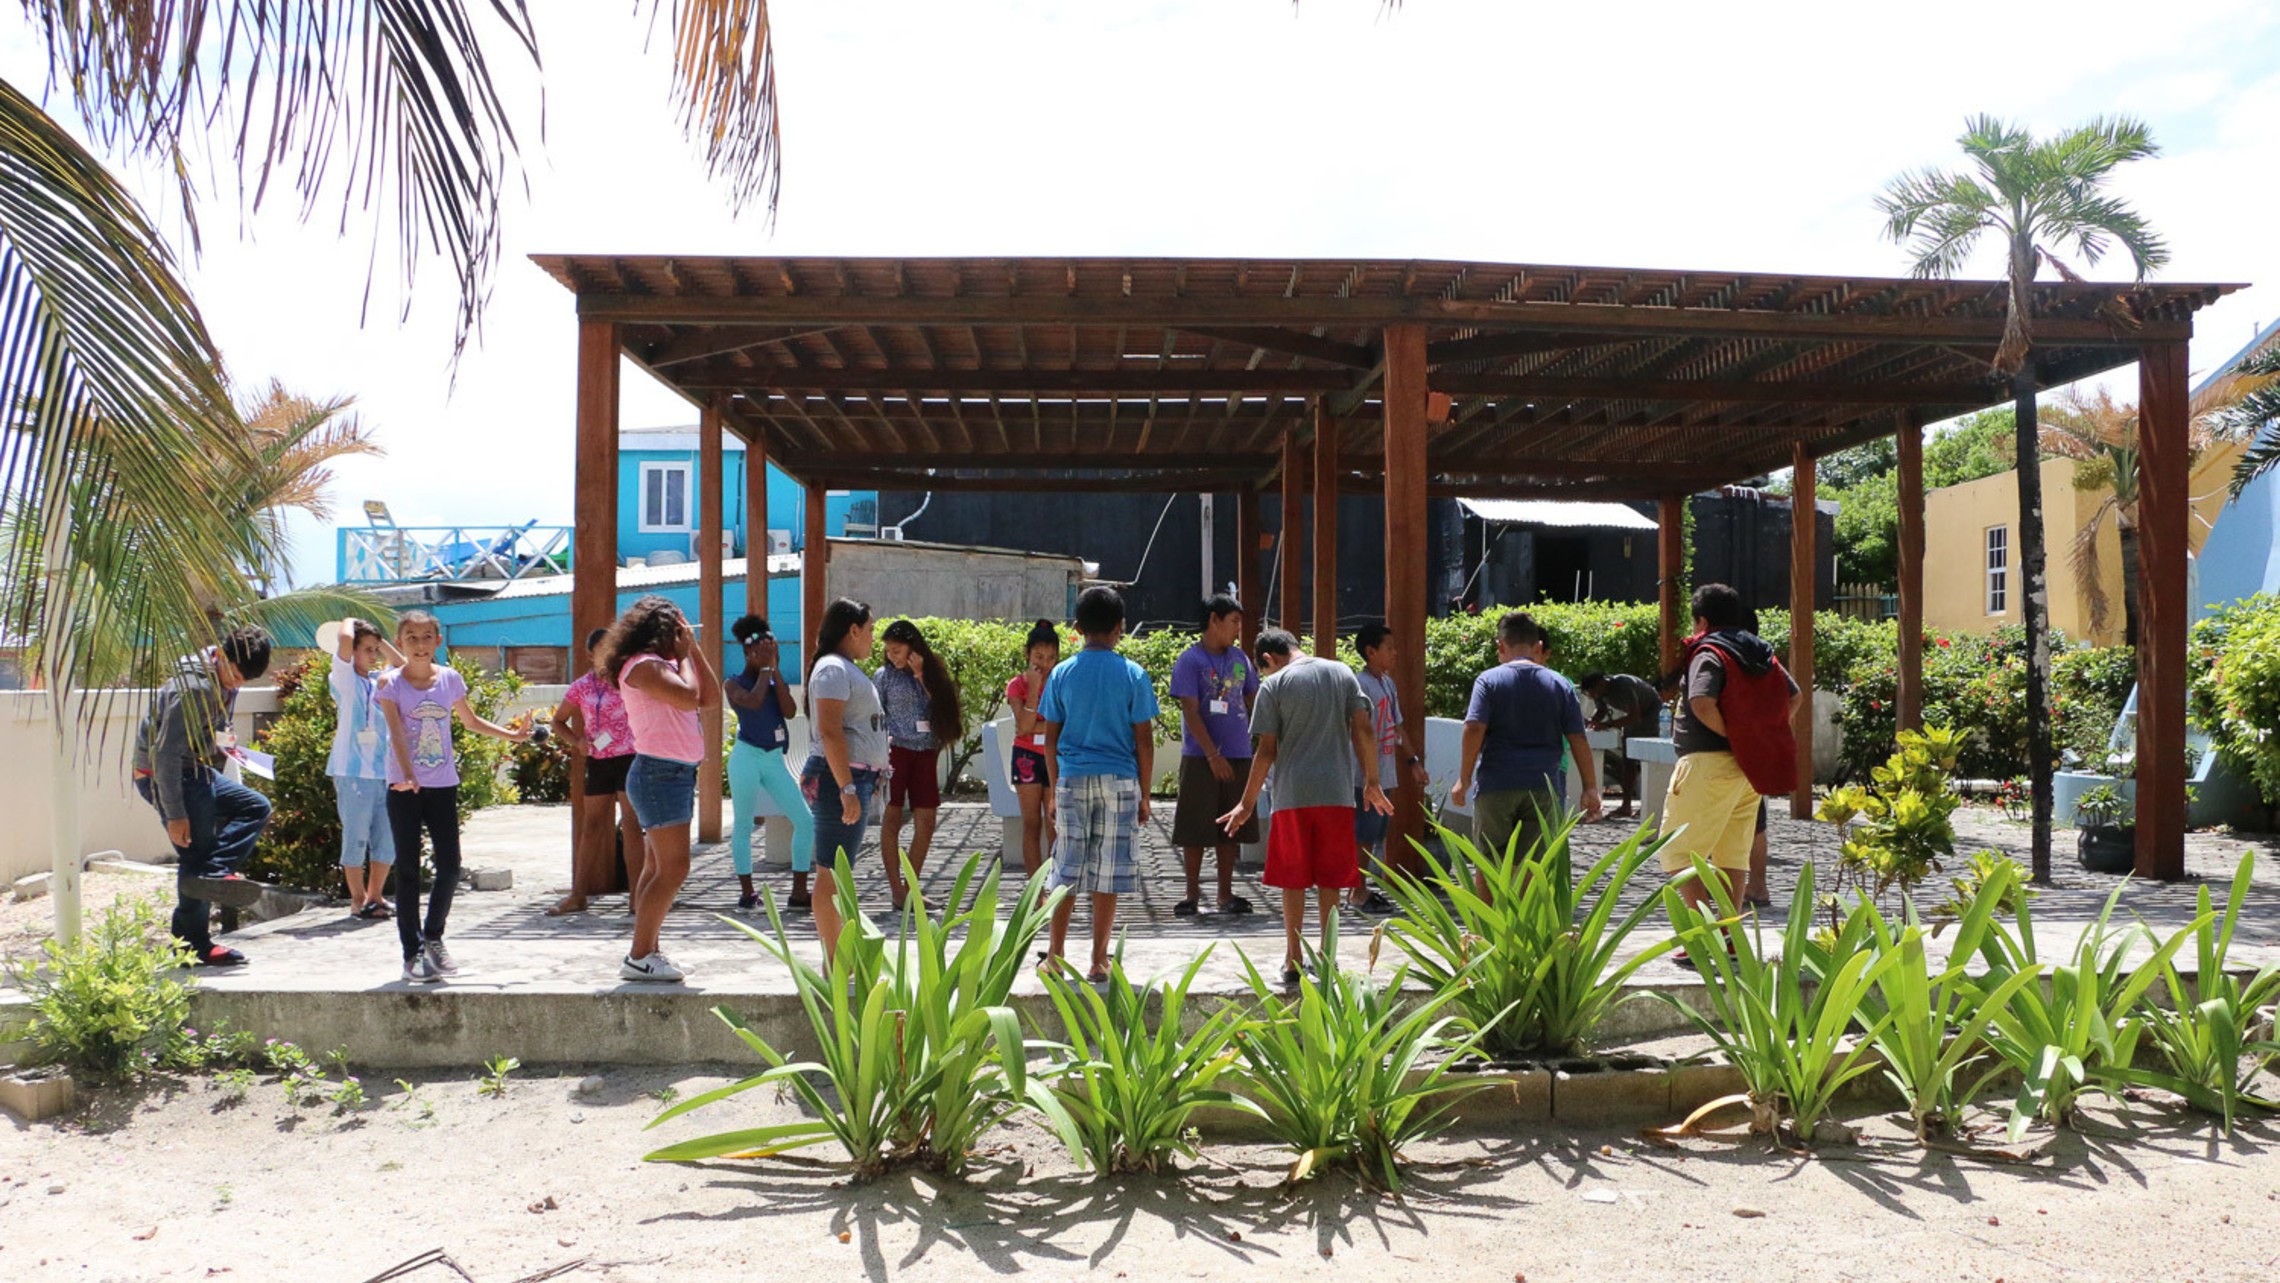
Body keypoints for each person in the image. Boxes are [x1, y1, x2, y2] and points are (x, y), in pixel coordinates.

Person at [1217, 630, 1389, 985]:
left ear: (1267, 659)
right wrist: (1372, 781)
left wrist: (1246, 804)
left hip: (1292, 796)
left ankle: (1293, 959)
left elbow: (1267, 750)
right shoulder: (1341, 673)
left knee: (1292, 880)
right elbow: (1364, 728)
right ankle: (1327, 957)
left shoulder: (1274, 685)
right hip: (1337, 794)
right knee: (1331, 879)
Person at [378, 612, 532, 984]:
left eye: (426, 636)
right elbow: (396, 733)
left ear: (438, 641)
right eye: (411, 637)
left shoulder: (450, 679)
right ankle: (410, 952)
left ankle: (433, 936)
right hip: (404, 786)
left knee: (450, 866)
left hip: (442, 783)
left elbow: (471, 720)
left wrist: (514, 737)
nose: (419, 644)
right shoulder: (389, 683)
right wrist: (408, 774)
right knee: (409, 870)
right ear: (400, 643)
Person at [1662, 583, 1801, 943]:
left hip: (1706, 764)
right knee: (1731, 856)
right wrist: (1756, 738)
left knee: (1677, 850)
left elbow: (1702, 703)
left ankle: (1700, 935)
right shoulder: (1759, 651)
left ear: (1702, 621)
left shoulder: (1708, 650)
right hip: (1745, 771)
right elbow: (1795, 696)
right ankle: (1730, 935)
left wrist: (1735, 733)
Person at [132, 626, 276, 966]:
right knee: (195, 855)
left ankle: (212, 873)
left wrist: (224, 742)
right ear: (222, 658)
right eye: (236, 675)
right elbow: (164, 754)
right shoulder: (195, 688)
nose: (237, 684)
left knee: (255, 807)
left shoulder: (221, 672)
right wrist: (176, 814)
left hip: (194, 769)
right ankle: (192, 946)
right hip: (166, 774)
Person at [1037, 587, 1159, 983]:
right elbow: (1144, 739)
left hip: (1072, 777)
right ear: (1120, 628)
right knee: (1110, 873)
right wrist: (1145, 792)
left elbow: (1050, 738)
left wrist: (1053, 790)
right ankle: (1098, 959)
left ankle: (1054, 956)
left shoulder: (1061, 672)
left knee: (1065, 869)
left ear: (1076, 629)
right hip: (1121, 780)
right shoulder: (1133, 674)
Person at [599, 596, 719, 983]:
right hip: (658, 774)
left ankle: (647, 948)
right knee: (674, 868)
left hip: (674, 773)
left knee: (658, 868)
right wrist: (687, 654)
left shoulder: (665, 665)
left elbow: (711, 698)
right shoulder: (643, 667)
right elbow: (689, 698)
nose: (685, 635)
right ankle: (638, 955)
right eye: (680, 629)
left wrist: (693, 651)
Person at [1450, 611, 1601, 863]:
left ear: (1501, 646)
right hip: (1544, 786)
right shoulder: (1560, 684)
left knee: (1489, 863)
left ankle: (1491, 905)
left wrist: (1464, 778)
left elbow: (1474, 728)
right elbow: (1578, 738)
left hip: (1496, 784)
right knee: (1535, 862)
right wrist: (1590, 787)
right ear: (1538, 646)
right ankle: (1527, 905)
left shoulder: (1488, 680)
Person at [802, 598, 888, 962]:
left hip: (853, 778)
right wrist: (847, 788)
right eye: (869, 630)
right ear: (852, 630)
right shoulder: (833, 670)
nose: (872, 638)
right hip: (841, 778)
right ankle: (835, 959)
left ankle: (837, 955)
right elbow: (830, 732)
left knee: (838, 870)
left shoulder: (843, 668)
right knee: (831, 872)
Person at [1168, 593, 1259, 917]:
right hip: (1200, 757)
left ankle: (1225, 894)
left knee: (1230, 827)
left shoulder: (1240, 659)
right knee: (1195, 828)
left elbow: (1253, 699)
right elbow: (1190, 711)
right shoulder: (1190, 660)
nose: (1238, 628)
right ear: (1214, 620)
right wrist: (1212, 755)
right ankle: (1191, 895)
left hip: (1239, 753)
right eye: (1233, 621)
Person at [546, 628, 646, 917]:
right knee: (592, 826)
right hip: (598, 760)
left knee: (631, 826)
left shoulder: (631, 680)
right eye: (603, 649)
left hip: (630, 757)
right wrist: (577, 741)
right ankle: (578, 894)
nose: (610, 654)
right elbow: (558, 721)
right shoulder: (581, 686)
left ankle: (636, 898)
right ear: (590, 654)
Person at [725, 614, 814, 911]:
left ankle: (799, 892)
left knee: (804, 821)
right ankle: (747, 892)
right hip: (746, 757)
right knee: (744, 825)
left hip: (773, 759)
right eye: (760, 652)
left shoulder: (774, 679)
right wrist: (765, 670)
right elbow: (751, 702)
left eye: (771, 651)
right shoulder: (732, 683)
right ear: (748, 653)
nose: (767, 656)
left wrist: (774, 671)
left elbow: (789, 712)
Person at [874, 619, 962, 912]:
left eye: (897, 650)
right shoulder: (883, 676)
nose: (892, 656)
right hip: (896, 750)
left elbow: (945, 707)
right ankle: (896, 888)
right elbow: (876, 717)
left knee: (926, 819)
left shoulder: (931, 672)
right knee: (893, 817)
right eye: (888, 651)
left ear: (913, 648)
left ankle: (911, 886)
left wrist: (922, 675)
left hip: (926, 750)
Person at [1350, 623, 1430, 914]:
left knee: (1373, 835)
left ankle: (1361, 887)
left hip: (1385, 773)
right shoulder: (1359, 684)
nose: (1395, 653)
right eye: (1389, 648)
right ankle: (1356, 891)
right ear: (1370, 652)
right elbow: (1356, 731)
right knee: (1363, 834)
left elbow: (1397, 727)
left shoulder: (1387, 683)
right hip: (1363, 777)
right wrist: (1368, 773)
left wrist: (1413, 763)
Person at [328, 618, 402, 920]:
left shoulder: (379, 681)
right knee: (356, 836)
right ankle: (358, 899)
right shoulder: (344, 680)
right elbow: (345, 639)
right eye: (367, 650)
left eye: (375, 650)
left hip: (384, 772)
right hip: (352, 772)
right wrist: (352, 620)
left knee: (386, 837)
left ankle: (376, 896)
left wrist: (378, 638)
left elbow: (401, 663)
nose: (373, 655)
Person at [1006, 619, 1062, 877]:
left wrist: (1036, 727)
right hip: (1026, 757)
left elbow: (1062, 725)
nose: (1045, 663)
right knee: (1031, 823)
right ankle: (1034, 887)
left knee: (1055, 824)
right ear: (1028, 654)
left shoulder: (1061, 682)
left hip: (1053, 756)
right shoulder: (1017, 685)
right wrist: (1034, 689)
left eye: (1051, 657)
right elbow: (1024, 725)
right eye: (1039, 656)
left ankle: (1054, 883)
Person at [1578, 670, 1664, 821]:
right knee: (1627, 760)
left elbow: (1635, 717)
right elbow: (1601, 710)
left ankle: (1649, 805)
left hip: (1648, 710)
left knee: (1645, 755)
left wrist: (1607, 724)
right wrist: (1593, 722)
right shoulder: (1600, 693)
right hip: (1633, 716)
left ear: (1600, 684)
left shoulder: (1623, 684)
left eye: (1592, 693)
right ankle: (1626, 806)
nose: (1592, 697)